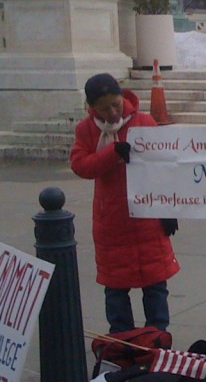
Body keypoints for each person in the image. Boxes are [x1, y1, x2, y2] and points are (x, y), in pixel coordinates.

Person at [70, 73, 180, 334]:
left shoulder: (144, 122)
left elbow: (161, 167)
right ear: (92, 108)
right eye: (104, 108)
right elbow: (81, 165)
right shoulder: (86, 130)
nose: (112, 112)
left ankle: (157, 336)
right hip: (112, 221)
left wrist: (168, 209)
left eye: (116, 104)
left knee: (155, 285)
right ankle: (122, 339)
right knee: (116, 288)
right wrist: (111, 153)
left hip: (147, 218)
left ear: (123, 97)